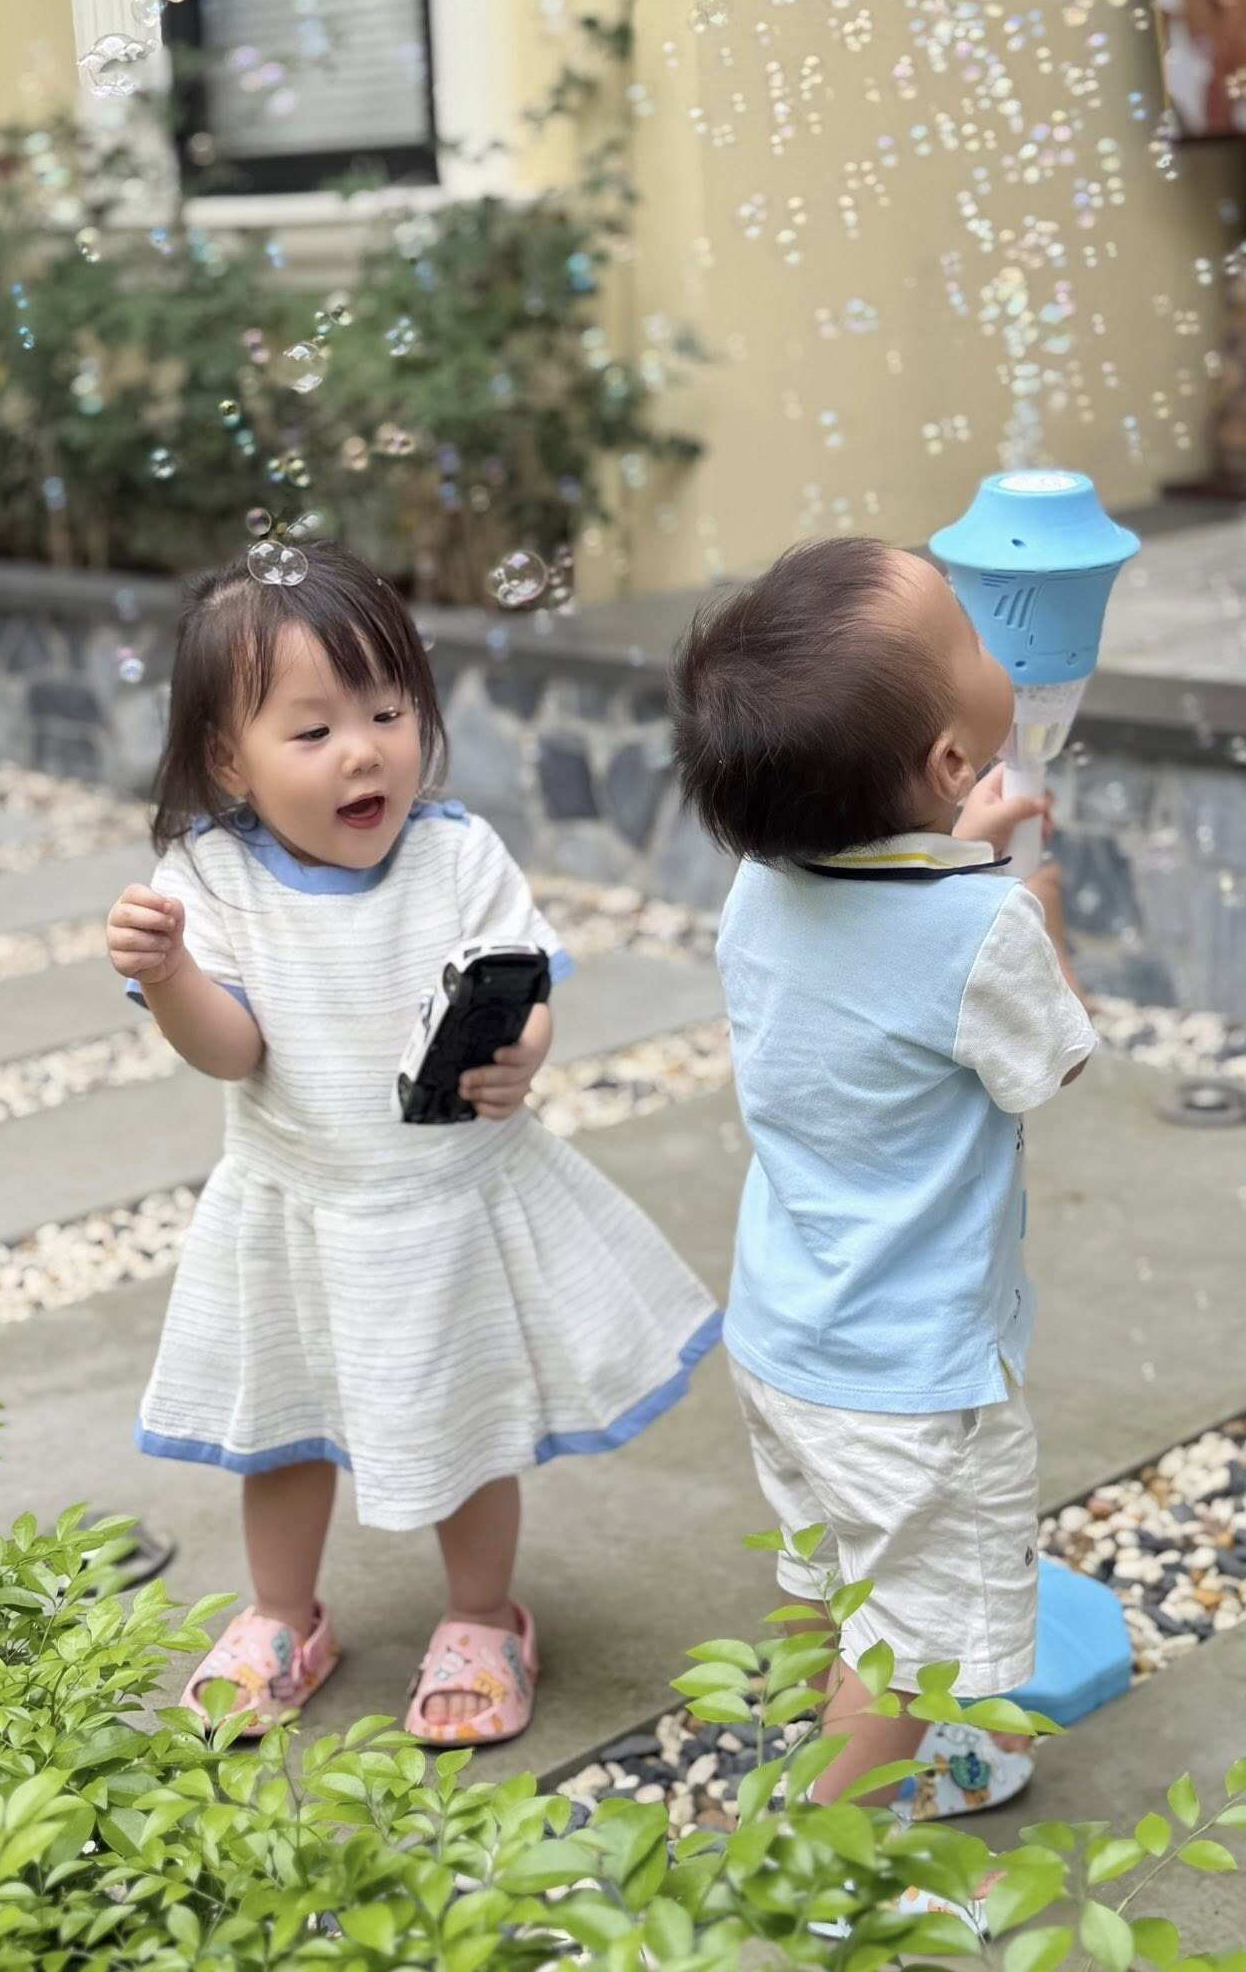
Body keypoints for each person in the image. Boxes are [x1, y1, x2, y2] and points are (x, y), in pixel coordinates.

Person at [105, 541, 719, 1746]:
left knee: (467, 1419)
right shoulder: (209, 878)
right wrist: (171, 974)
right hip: (299, 1205)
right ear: (228, 760)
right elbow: (231, 1050)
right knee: (281, 1428)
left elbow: (522, 987)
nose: (363, 750)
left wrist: (523, 1050)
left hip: (445, 1209)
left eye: (388, 712)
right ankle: (282, 1612)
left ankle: (484, 1614)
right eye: (313, 729)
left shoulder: (456, 854)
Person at [670, 538, 1096, 1913]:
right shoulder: (979, 932)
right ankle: (821, 1867)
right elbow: (1047, 1065)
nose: (988, 636)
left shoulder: (761, 884)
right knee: (915, 1648)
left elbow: (877, 923)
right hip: (917, 1379)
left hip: (789, 1333)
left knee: (837, 1576)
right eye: (967, 632)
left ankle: (835, 1758)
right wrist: (1032, 910)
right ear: (951, 763)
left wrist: (961, 855)